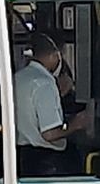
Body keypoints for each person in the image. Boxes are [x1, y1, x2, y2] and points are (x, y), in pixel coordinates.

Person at [13, 33, 89, 176]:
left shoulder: (18, 78)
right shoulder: (44, 83)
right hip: (47, 163)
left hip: (22, 157)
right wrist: (76, 124)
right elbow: (49, 133)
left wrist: (59, 96)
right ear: (55, 55)